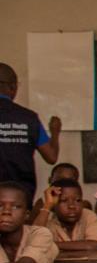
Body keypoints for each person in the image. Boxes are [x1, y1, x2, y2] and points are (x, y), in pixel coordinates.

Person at [0, 62, 62, 200]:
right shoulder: (29, 118)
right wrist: (55, 132)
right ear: (13, 87)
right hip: (20, 196)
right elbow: (51, 157)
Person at [33, 178, 97, 251]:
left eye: (78, 200)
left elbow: (93, 245)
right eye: (64, 200)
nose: (72, 206)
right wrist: (47, 206)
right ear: (54, 204)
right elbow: (33, 241)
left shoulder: (88, 215)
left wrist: (50, 244)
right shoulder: (47, 218)